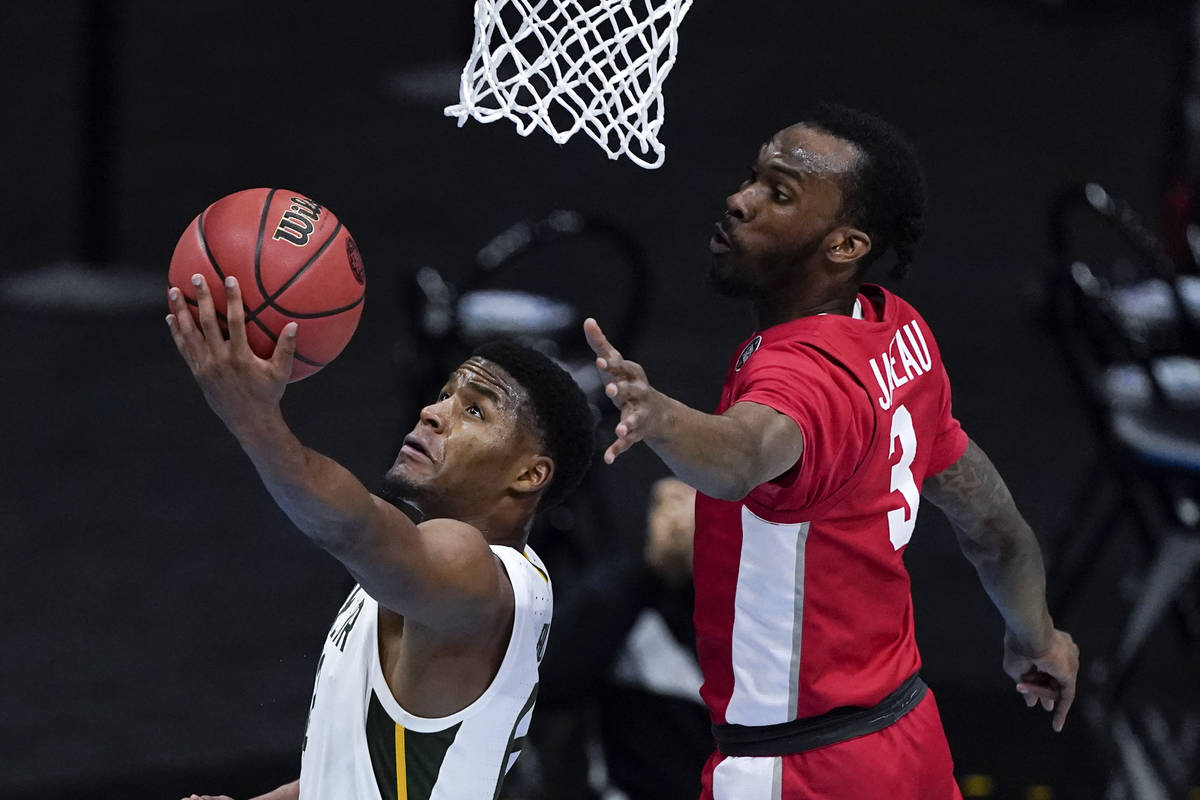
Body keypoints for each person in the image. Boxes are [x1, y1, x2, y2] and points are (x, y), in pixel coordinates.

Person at [582, 103, 1080, 798]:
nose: (739, 199)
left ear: (845, 246)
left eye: (778, 194)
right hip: (907, 742)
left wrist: (661, 418)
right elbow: (994, 528)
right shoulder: (896, 332)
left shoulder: (800, 378)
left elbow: (744, 454)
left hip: (799, 771)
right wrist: (1037, 635)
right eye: (752, 176)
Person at [165, 273, 594, 800]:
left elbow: (351, 525)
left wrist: (252, 415)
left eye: (476, 411)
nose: (433, 413)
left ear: (529, 475)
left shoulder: (476, 569)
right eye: (445, 395)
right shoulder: (452, 576)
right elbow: (355, 774)